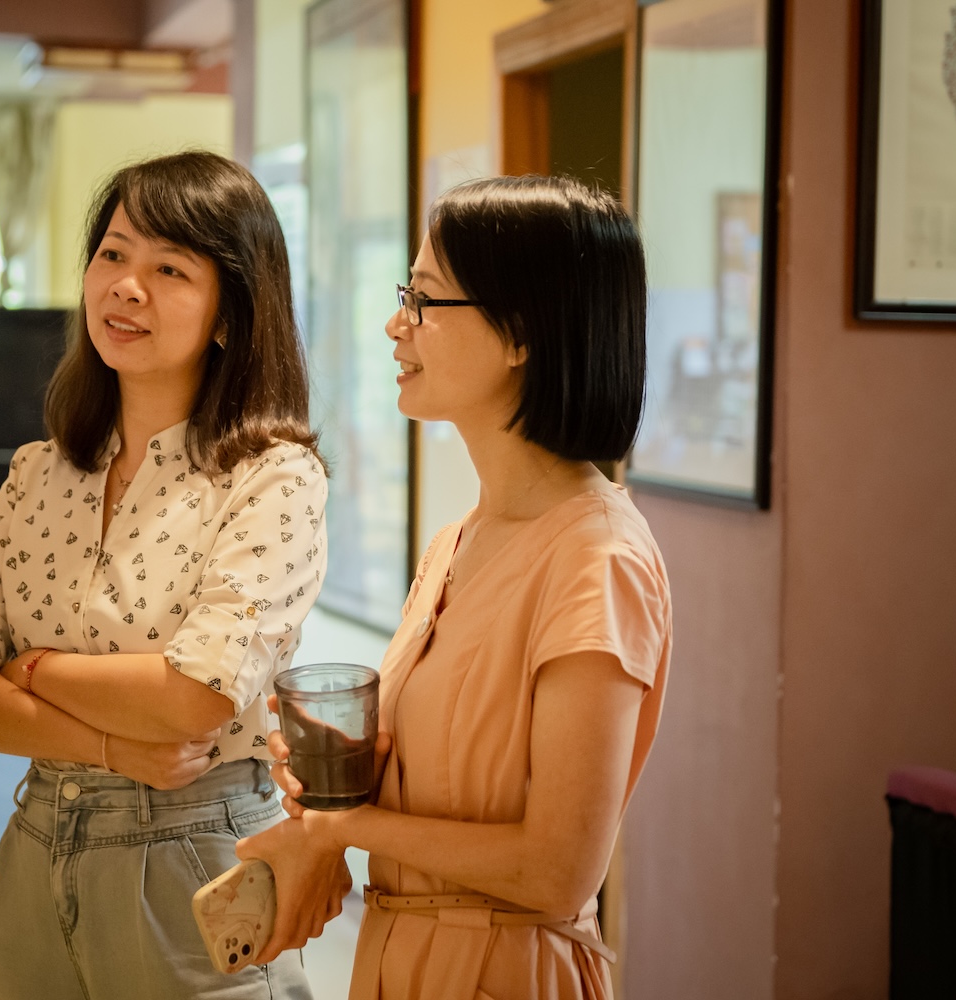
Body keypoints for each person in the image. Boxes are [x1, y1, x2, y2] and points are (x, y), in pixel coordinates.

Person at [0, 151, 336, 1000]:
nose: (127, 286)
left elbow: (196, 697)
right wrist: (103, 742)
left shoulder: (272, 477)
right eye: (113, 254)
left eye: (169, 267)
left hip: (197, 849)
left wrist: (31, 672)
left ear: (228, 315)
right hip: (36, 839)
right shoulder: (42, 471)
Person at [236, 174, 673, 1000]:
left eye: (425, 298)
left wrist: (347, 826)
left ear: (520, 334)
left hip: (505, 971)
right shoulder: (455, 543)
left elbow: (556, 872)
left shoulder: (596, 557)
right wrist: (336, 771)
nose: (397, 323)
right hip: (403, 960)